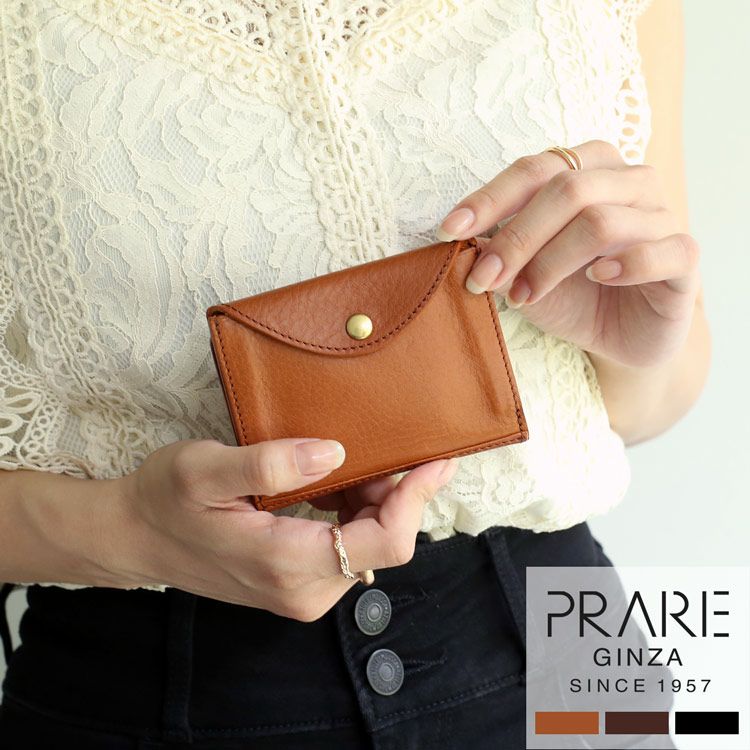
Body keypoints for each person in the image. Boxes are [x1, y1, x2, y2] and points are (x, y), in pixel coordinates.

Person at [0, 0, 709, 747]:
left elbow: (655, 397)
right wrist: (133, 531)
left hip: (568, 634)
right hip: (155, 679)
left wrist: (630, 347)